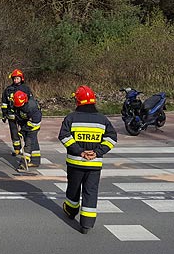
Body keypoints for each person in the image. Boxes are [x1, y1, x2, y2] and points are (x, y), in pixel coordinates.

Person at [58, 85, 117, 234]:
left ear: (77, 101)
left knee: (73, 189)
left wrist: (80, 152)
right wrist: (97, 152)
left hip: (75, 163)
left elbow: (64, 136)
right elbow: (112, 138)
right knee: (91, 192)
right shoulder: (103, 119)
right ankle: (87, 224)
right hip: (94, 164)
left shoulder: (71, 118)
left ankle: (71, 212)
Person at [1, 69, 33, 156]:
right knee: (14, 133)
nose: (15, 80)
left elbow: (30, 102)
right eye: (14, 79)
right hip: (11, 114)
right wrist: (4, 114)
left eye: (17, 78)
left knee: (25, 131)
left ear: (21, 78)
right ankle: (17, 149)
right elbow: (4, 103)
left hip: (22, 114)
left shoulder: (26, 89)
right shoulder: (8, 90)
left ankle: (27, 149)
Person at [12, 90, 42, 171]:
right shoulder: (17, 103)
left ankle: (23, 163)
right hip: (26, 122)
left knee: (28, 142)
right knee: (33, 142)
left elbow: (35, 122)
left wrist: (22, 131)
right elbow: (17, 111)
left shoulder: (32, 107)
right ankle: (35, 161)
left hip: (33, 125)